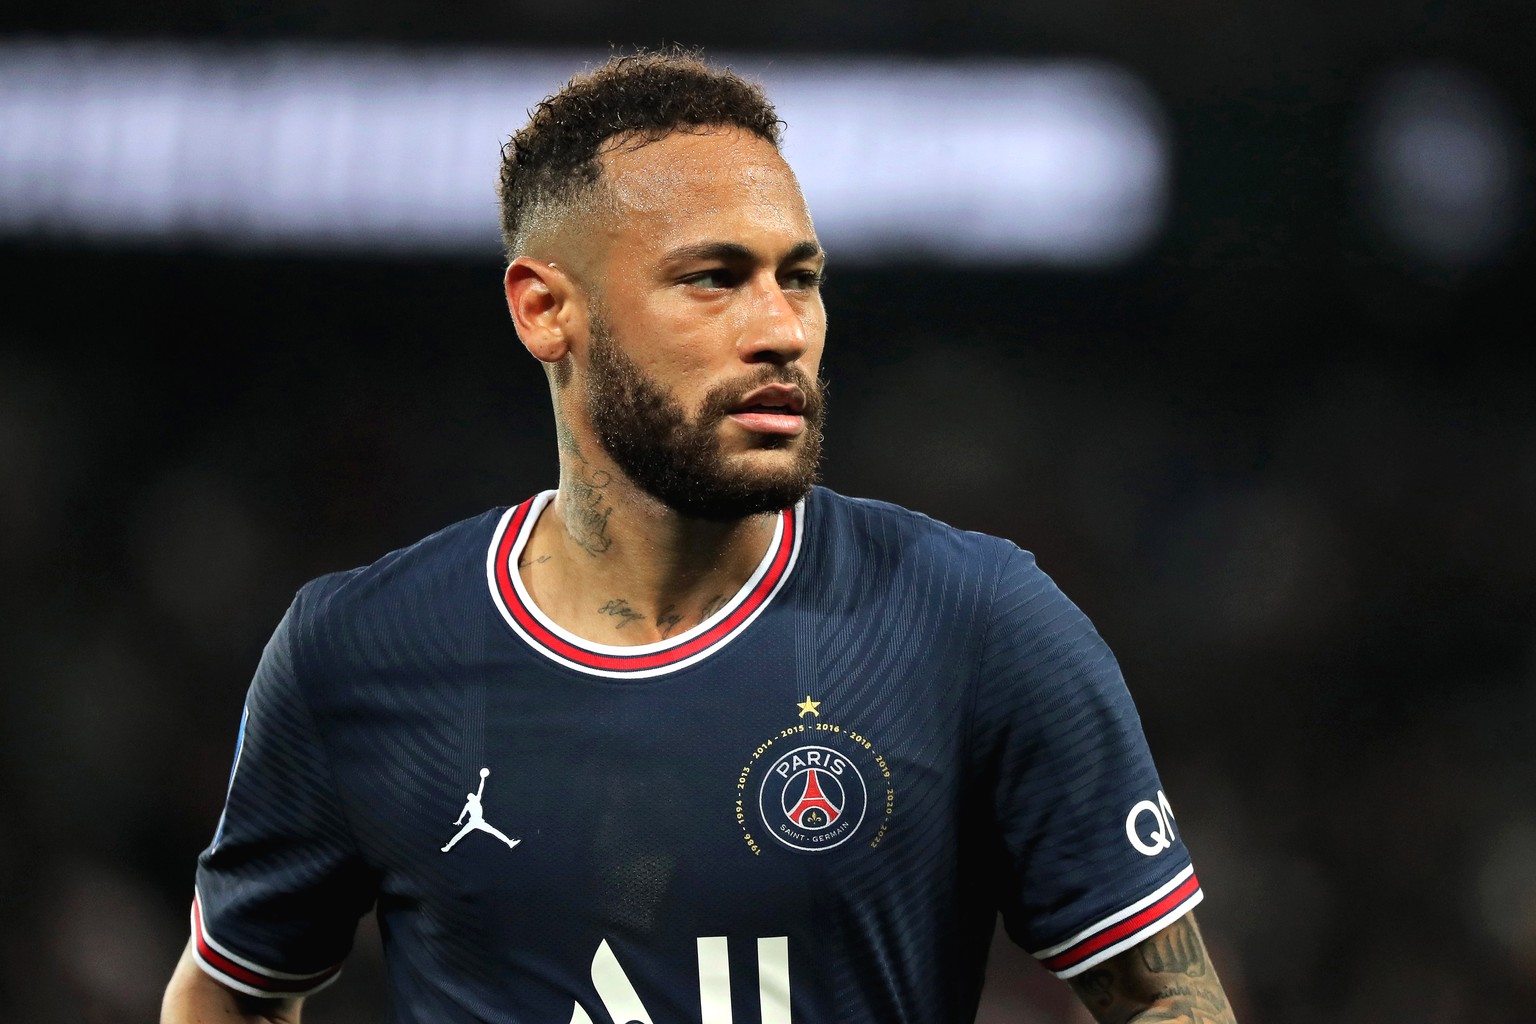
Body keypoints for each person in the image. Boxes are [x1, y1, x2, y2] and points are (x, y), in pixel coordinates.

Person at [161, 48, 1237, 1024]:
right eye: (713, 277)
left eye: (800, 278)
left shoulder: (976, 621)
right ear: (545, 310)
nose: (780, 329)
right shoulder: (358, 650)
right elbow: (230, 996)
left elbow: (1165, 1000)